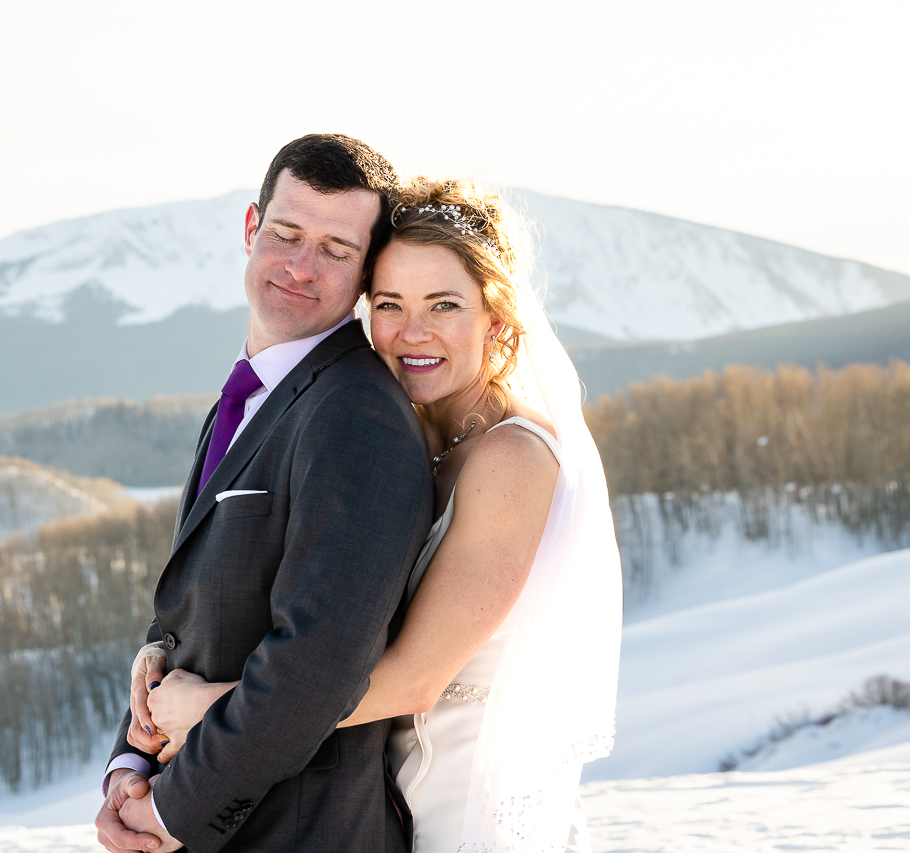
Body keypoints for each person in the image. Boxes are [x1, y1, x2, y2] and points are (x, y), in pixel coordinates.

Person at [135, 178, 623, 852]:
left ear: (498, 321)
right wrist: (164, 653)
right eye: (391, 303)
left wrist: (211, 704)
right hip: (388, 799)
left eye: (445, 305)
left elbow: (416, 681)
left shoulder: (512, 457)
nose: (412, 332)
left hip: (465, 805)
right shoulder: (420, 437)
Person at [94, 135, 435, 853]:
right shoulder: (245, 396)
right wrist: (132, 763)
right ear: (252, 229)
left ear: (367, 270)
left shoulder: (356, 413)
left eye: (337, 250)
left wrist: (174, 811)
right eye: (286, 235)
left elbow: (317, 663)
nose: (301, 267)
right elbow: (198, 612)